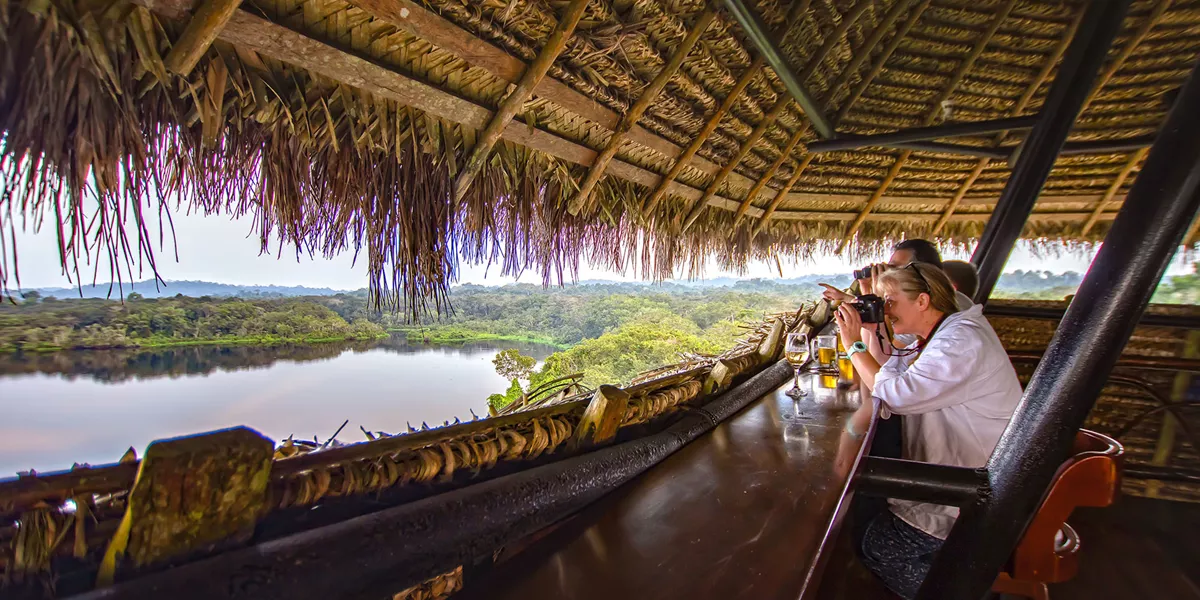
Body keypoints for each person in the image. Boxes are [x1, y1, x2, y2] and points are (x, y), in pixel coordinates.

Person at [834, 263, 1021, 600]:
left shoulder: (960, 342)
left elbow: (894, 394)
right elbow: (888, 365)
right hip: (973, 473)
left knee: (877, 545)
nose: (886, 308)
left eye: (890, 300)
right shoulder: (942, 330)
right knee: (869, 510)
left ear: (922, 301)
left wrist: (852, 345)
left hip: (977, 491)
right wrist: (873, 325)